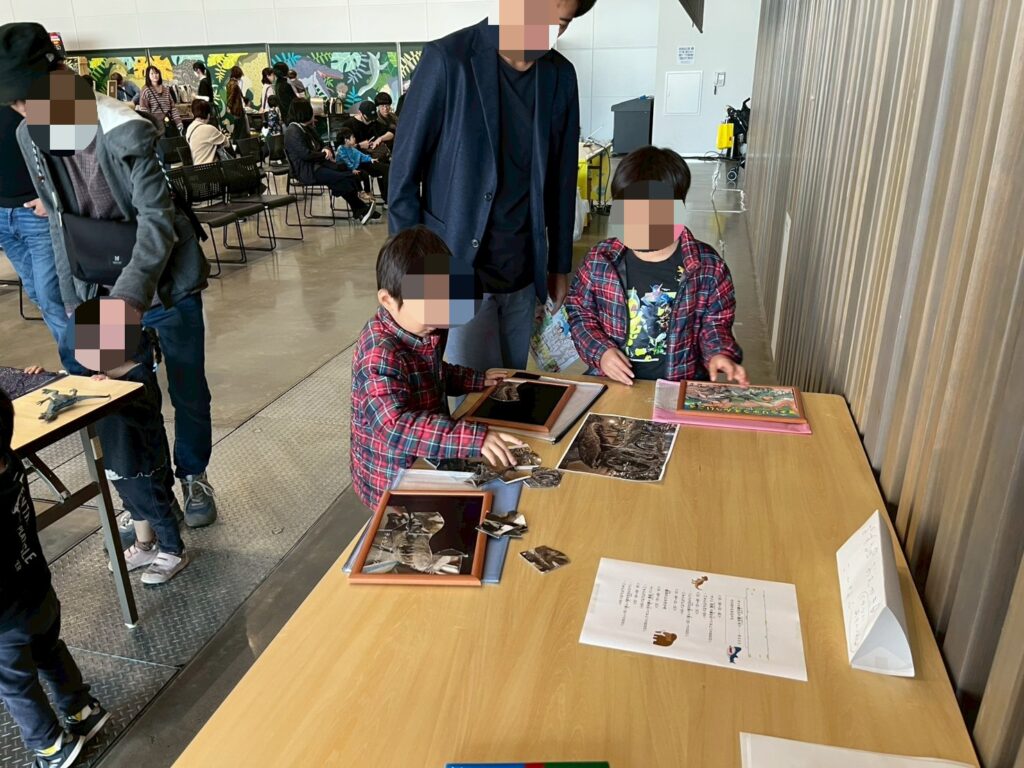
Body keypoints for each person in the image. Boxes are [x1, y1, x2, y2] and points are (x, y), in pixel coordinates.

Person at [7, 22, 218, 561]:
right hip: (99, 283)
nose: (21, 113)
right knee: (123, 402)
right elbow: (60, 221)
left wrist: (128, 301)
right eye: (15, 105)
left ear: (56, 81)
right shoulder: (31, 134)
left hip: (164, 283)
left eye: (26, 100)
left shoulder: (124, 127)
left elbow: (157, 222)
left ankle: (193, 476)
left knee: (187, 389)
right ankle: (152, 504)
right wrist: (75, 303)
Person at [388, 0, 595, 373]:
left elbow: (563, 181)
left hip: (523, 270)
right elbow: (403, 177)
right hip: (453, 265)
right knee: (469, 393)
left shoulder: (560, 75)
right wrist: (408, 274)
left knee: (511, 386)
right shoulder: (448, 60)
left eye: (560, 23)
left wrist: (559, 266)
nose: (544, 30)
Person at [350, 226, 523, 509]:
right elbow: (397, 427)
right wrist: (473, 438)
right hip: (392, 480)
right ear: (387, 300)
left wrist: (476, 380)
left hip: (428, 459)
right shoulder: (379, 354)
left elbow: (433, 373)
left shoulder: (426, 328)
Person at [564, 146, 748, 386]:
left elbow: (715, 323)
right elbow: (579, 312)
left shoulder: (708, 268)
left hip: (680, 385)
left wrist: (719, 354)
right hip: (613, 384)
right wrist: (602, 353)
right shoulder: (600, 260)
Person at [0, 389, 111, 768]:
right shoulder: (12, 463)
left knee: (16, 684)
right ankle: (82, 710)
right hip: (38, 587)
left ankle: (51, 747)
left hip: (5, 619)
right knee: (49, 650)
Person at [0, 105, 66, 343]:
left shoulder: (27, 97)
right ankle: (83, 358)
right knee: (38, 294)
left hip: (36, 214)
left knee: (52, 296)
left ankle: (89, 360)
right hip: (3, 217)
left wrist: (50, 194)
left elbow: (69, 151)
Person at [284, 99, 380, 224]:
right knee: (342, 177)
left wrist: (326, 149)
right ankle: (360, 209)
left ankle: (360, 209)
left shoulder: (307, 128)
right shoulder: (292, 131)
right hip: (308, 170)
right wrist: (324, 154)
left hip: (319, 165)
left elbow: (323, 144)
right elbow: (305, 154)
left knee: (346, 172)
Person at [335, 126, 388, 200]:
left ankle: (368, 191)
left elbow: (361, 155)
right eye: (352, 137)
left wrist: (370, 159)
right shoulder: (341, 149)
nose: (354, 138)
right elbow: (346, 161)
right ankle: (360, 191)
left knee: (365, 174)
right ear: (346, 140)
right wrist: (352, 169)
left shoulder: (351, 148)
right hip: (344, 168)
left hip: (353, 167)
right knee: (356, 175)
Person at [139, 64, 182, 137]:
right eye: (152, 73)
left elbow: (173, 108)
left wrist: (179, 123)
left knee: (173, 141)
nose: (155, 75)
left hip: (168, 122)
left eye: (156, 73)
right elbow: (144, 110)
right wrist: (149, 127)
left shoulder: (165, 89)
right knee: (162, 143)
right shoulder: (146, 90)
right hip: (155, 125)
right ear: (148, 76)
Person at [185, 98, 230, 164]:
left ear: (193, 113)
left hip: (197, 167)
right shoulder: (210, 129)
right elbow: (227, 144)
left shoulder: (190, 128)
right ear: (208, 115)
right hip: (211, 168)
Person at [224, 65, 248, 142]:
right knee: (240, 130)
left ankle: (236, 144)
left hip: (235, 109)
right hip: (237, 109)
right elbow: (231, 97)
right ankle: (238, 145)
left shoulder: (230, 83)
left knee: (237, 129)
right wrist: (229, 106)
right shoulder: (234, 84)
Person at [272, 62, 295, 131]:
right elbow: (292, 102)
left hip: (286, 118)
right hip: (292, 118)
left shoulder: (277, 84)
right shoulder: (285, 85)